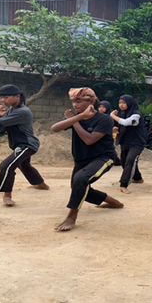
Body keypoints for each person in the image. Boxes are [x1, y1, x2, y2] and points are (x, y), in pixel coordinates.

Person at [51, 88, 124, 231]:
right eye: (72, 101)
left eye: (78, 101)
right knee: (79, 187)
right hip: (81, 159)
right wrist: (77, 117)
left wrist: (76, 119)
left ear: (91, 101)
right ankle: (114, 202)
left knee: (80, 179)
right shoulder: (74, 117)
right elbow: (54, 129)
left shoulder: (105, 119)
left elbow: (89, 140)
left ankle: (71, 217)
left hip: (103, 158)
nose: (74, 104)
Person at [0, 84, 49, 206]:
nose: (3, 100)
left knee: (6, 166)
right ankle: (41, 184)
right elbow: (1, 128)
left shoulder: (22, 111)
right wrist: (2, 116)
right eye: (2, 98)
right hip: (19, 144)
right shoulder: (13, 110)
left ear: (17, 96)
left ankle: (7, 195)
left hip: (26, 144)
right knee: (24, 165)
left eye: (6, 98)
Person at [110, 95, 147, 194]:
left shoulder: (136, 114)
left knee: (130, 161)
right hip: (125, 142)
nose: (121, 105)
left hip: (137, 143)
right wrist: (115, 129)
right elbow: (119, 124)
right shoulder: (122, 113)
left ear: (129, 103)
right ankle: (138, 178)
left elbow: (127, 122)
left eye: (123, 103)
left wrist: (112, 116)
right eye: (120, 103)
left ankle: (123, 184)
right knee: (124, 162)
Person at [98, 100, 122, 166]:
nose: (101, 109)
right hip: (99, 134)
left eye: (103, 107)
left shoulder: (111, 116)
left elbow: (117, 125)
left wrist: (114, 129)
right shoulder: (97, 116)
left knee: (108, 148)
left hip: (109, 135)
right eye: (100, 107)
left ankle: (116, 160)